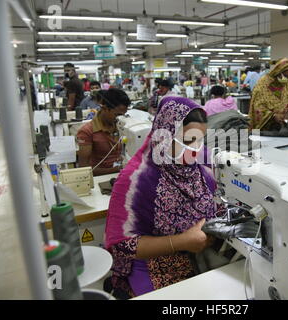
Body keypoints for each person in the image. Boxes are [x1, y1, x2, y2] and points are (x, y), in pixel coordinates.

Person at [104, 96, 217, 298]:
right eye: (188, 141)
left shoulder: (202, 161)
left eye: (199, 140)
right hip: (154, 264)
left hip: (200, 255)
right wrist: (181, 241)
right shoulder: (134, 181)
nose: (195, 148)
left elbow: (220, 197)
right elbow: (121, 244)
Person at [77, 88, 130, 176]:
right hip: (100, 178)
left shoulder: (121, 126)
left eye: (123, 115)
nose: (120, 118)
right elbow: (84, 169)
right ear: (105, 108)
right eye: (117, 115)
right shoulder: (87, 131)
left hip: (120, 172)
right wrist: (117, 169)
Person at [249, 58, 288, 130]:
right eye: (285, 76)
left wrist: (285, 115)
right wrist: (273, 116)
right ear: (279, 71)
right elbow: (257, 106)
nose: (286, 79)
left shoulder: (287, 84)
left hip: (279, 127)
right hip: (263, 127)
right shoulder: (264, 83)